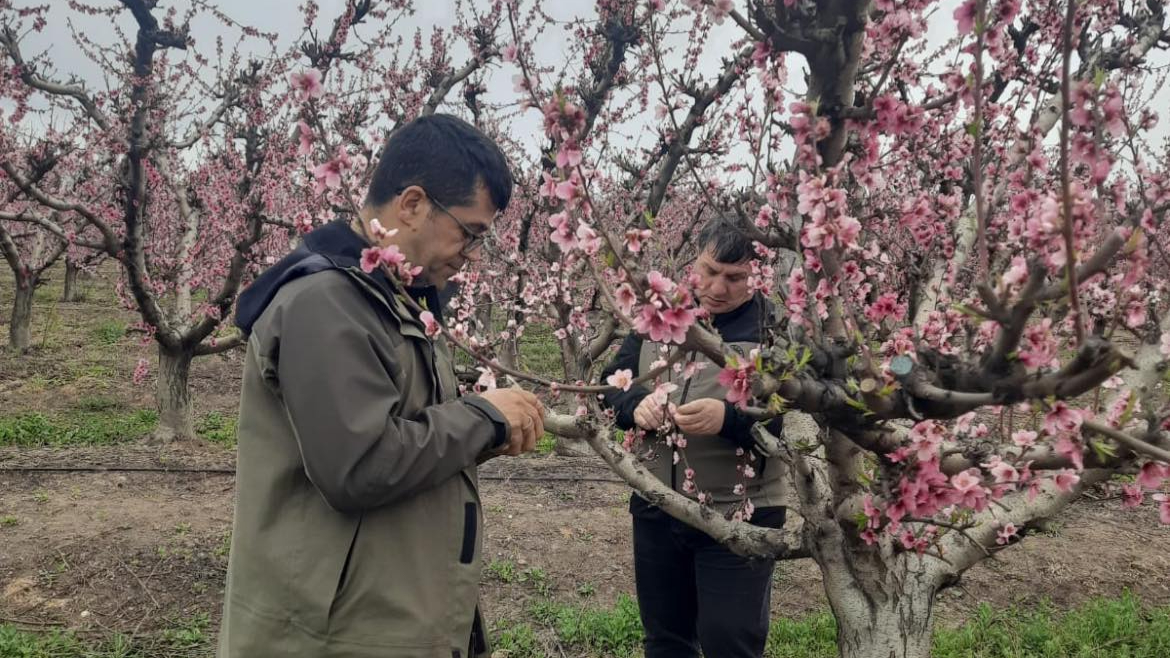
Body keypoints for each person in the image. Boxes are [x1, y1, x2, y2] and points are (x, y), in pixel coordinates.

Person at [218, 113, 545, 658]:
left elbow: (406, 428)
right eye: (470, 233)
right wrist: (482, 416)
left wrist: (485, 430)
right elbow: (360, 465)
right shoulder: (325, 302)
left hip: (386, 609)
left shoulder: (391, 298)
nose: (472, 255)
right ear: (413, 204)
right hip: (334, 633)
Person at [600, 216, 788, 658]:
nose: (718, 288)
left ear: (758, 276)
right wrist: (636, 405)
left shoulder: (775, 332)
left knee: (730, 640)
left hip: (740, 513)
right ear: (693, 263)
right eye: (708, 271)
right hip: (658, 504)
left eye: (735, 277)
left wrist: (728, 417)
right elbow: (613, 382)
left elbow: (785, 419)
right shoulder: (660, 315)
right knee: (665, 639)